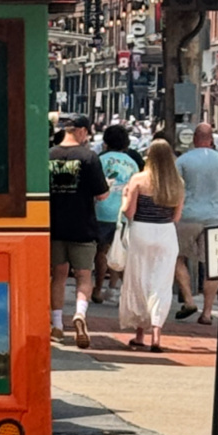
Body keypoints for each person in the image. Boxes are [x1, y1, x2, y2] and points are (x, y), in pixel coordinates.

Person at [119, 138, 185, 353]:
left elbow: (129, 211)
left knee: (140, 281)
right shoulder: (178, 183)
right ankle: (157, 333)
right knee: (161, 284)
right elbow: (176, 217)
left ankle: (139, 334)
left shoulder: (138, 179)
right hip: (166, 233)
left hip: (141, 230)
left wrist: (123, 198)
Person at [49, 116, 109, 348]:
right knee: (84, 277)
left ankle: (56, 324)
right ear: (82, 131)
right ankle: (80, 314)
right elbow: (101, 194)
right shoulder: (89, 157)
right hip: (83, 225)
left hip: (54, 225)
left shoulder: (49, 154)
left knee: (58, 275)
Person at [175, 121, 218, 324]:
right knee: (215, 266)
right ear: (211, 140)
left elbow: (176, 191)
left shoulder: (183, 161)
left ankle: (189, 299)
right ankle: (208, 311)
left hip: (187, 216)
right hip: (214, 217)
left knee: (177, 258)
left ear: (194, 139)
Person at [93, 124, 143, 304]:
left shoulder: (101, 159)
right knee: (120, 250)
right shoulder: (132, 163)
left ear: (106, 141)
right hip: (123, 211)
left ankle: (98, 288)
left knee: (102, 251)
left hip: (102, 210)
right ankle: (117, 288)